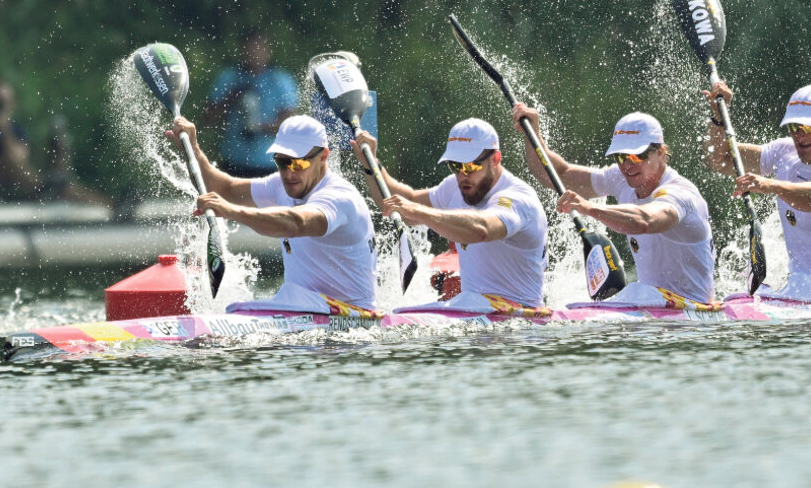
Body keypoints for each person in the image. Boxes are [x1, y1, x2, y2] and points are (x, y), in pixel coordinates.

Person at [167, 114, 378, 310]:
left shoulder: (340, 197)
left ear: (323, 156)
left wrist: (231, 211)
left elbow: (296, 223)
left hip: (351, 314)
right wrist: (192, 149)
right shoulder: (280, 185)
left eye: (297, 163)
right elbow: (224, 189)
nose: (288, 173)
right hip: (304, 307)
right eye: (281, 162)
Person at [511, 104, 716, 305]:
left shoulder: (680, 193)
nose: (627, 166)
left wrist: (589, 208)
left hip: (692, 312)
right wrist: (533, 134)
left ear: (660, 152)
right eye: (620, 157)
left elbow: (645, 221)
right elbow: (558, 175)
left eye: (637, 156)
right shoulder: (619, 178)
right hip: (651, 309)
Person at [704, 82, 811, 299]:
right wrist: (718, 117)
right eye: (794, 127)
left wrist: (771, 185)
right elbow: (719, 159)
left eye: (809, 128)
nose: (800, 136)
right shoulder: (783, 152)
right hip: (802, 291)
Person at [352, 118, 548, 308]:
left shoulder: (518, 198)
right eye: (455, 165)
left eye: (471, 166)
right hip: (475, 311)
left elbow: (483, 229)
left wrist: (419, 212)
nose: (462, 175)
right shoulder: (456, 187)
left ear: (495, 159)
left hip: (520, 320)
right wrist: (371, 164)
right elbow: (402, 204)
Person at [0, 80, 110, 207]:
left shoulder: (15, 130)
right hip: (14, 185)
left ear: (12, 104)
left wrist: (4, 128)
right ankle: (47, 186)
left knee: (66, 189)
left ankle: (111, 205)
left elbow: (20, 158)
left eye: (1, 104)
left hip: (21, 185)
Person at [204, 29, 299, 177]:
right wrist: (230, 99)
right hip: (233, 162)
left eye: (258, 49)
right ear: (242, 50)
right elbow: (208, 120)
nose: (253, 54)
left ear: (268, 51)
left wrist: (258, 127)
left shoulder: (280, 80)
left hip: (270, 165)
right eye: (249, 49)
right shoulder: (229, 77)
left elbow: (289, 127)